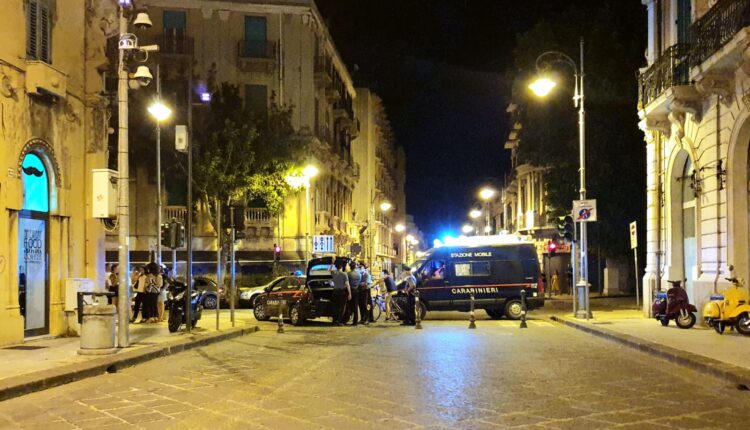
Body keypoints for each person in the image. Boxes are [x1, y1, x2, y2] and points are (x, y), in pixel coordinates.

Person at [331, 261, 351, 326]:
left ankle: (334, 321)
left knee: (335, 307)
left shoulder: (334, 273)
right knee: (342, 308)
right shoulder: (344, 274)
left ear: (336, 267)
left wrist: (332, 263)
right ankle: (340, 321)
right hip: (342, 292)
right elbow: (347, 284)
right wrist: (350, 293)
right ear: (342, 267)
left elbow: (329, 270)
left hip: (335, 292)